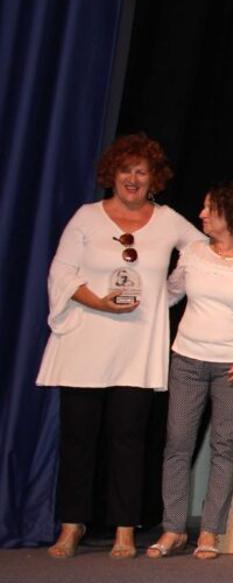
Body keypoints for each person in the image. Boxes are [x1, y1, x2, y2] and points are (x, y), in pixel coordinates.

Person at [37, 134, 206, 558]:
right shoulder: (86, 217)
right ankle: (72, 525)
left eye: (141, 172)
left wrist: (170, 291)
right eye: (125, 170)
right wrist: (98, 301)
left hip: (136, 349)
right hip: (84, 344)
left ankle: (125, 529)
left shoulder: (168, 220)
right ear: (111, 175)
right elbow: (60, 273)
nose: (132, 179)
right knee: (79, 438)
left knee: (129, 439)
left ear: (154, 180)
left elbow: (204, 250)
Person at [148, 182, 233, 559]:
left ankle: (209, 532)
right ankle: (172, 528)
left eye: (209, 209)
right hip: (187, 360)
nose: (201, 215)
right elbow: (169, 294)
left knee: (224, 447)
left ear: (230, 214)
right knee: (177, 444)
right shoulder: (193, 253)